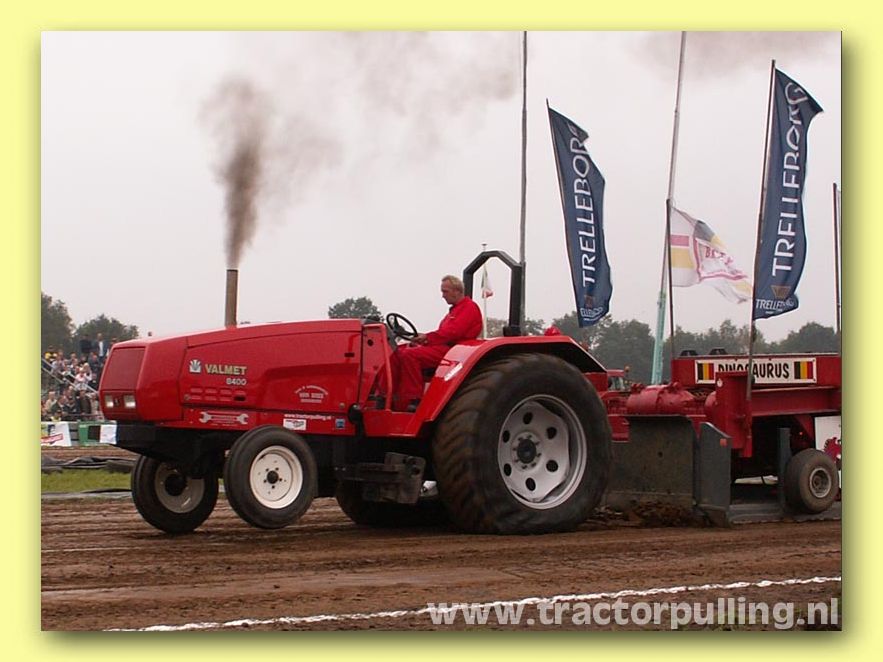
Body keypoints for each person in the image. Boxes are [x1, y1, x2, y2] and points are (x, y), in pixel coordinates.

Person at [384, 274, 482, 411]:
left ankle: (413, 399)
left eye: (445, 291)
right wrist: (422, 341)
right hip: (444, 347)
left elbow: (453, 333)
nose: (443, 296)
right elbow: (444, 333)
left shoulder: (469, 308)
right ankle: (386, 396)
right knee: (396, 352)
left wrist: (427, 338)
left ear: (457, 291)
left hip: (456, 352)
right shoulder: (454, 311)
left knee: (410, 355)